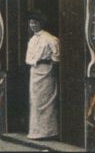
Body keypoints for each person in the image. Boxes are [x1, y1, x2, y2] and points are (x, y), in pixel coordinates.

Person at [25, 10, 60, 140]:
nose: (33, 25)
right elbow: (28, 58)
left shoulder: (50, 38)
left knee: (47, 101)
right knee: (35, 101)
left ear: (40, 23)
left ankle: (48, 132)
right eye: (30, 23)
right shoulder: (32, 40)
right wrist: (36, 61)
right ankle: (36, 131)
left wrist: (49, 63)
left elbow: (57, 57)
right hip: (34, 72)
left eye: (35, 23)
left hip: (47, 71)